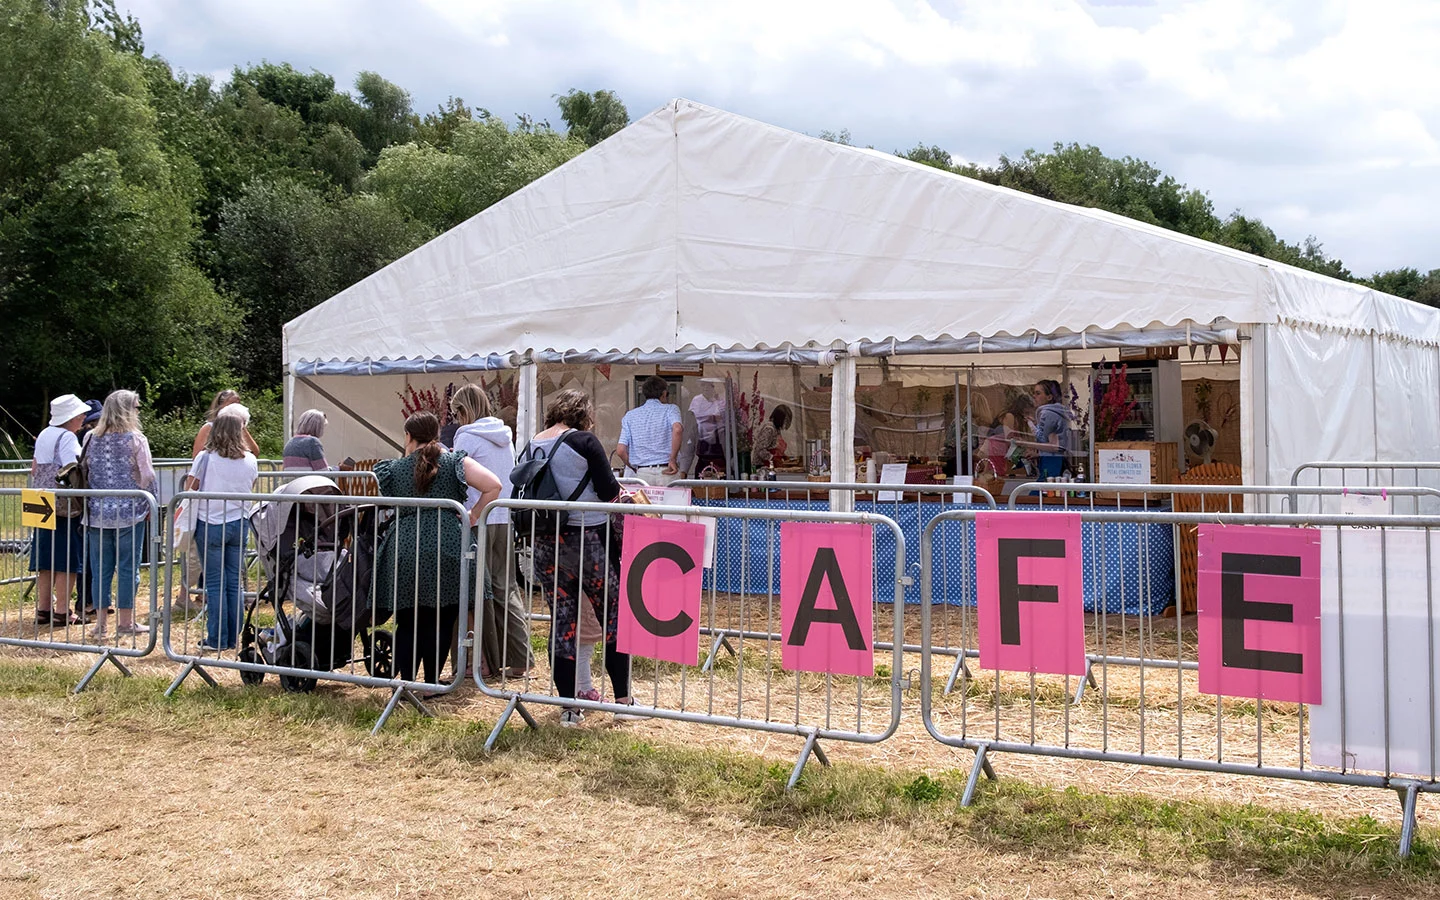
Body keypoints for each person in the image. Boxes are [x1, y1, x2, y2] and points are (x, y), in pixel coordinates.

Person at [520, 389, 641, 726]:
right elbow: (608, 491)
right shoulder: (585, 442)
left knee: (562, 623)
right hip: (589, 541)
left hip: (546, 543)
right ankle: (623, 701)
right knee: (613, 618)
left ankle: (570, 708)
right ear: (583, 414)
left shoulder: (533, 444)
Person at [373, 412, 502, 684]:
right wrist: (473, 514)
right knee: (442, 619)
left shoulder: (393, 469)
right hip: (448, 544)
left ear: (408, 436)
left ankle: (405, 683)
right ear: (437, 435)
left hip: (406, 544)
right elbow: (494, 485)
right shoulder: (455, 461)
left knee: (407, 618)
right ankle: (431, 683)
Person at [449, 384, 531, 678]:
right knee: (506, 590)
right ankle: (520, 658)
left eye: (456, 412)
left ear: (463, 410)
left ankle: (477, 662)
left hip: (478, 518)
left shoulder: (466, 438)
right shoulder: (505, 437)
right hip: (503, 518)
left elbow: (455, 473)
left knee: (475, 594)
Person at [83, 390, 157, 641]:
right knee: (128, 569)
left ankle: (100, 624)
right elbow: (147, 476)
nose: (138, 411)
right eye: (136, 407)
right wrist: (151, 504)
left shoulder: (90, 438)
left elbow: (86, 470)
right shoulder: (136, 438)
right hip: (130, 511)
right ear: (127, 409)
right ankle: (125, 621)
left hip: (97, 512)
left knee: (100, 568)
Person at [184, 413, 257, 652]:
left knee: (215, 584)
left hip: (212, 522)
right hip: (240, 522)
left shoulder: (205, 458)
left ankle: (217, 638)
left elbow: (190, 488)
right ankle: (232, 638)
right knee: (234, 583)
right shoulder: (250, 459)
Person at [27, 394, 90, 628]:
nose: (83, 417)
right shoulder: (67, 437)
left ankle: (43, 608)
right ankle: (63, 611)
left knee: (45, 557)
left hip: (38, 499)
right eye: (80, 414)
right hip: (62, 504)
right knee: (67, 557)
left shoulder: (44, 434)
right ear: (71, 417)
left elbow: (35, 468)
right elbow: (73, 469)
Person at [616, 375, 682, 485]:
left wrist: (635, 468)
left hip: (642, 474)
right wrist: (672, 459)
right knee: (671, 501)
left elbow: (620, 450)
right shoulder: (671, 409)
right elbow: (678, 429)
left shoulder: (630, 416)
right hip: (667, 469)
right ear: (664, 393)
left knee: (644, 502)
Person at [192, 390, 259, 458]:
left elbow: (254, 453)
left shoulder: (240, 428)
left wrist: (242, 427)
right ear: (220, 405)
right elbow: (197, 456)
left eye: (238, 404)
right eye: (232, 404)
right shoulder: (209, 427)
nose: (236, 407)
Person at [1029, 379, 1074, 479]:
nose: (1034, 396)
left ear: (1049, 397)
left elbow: (1042, 438)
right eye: (1034, 393)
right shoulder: (1054, 412)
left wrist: (1030, 424)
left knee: (1040, 491)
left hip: (1051, 460)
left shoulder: (1048, 413)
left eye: (1038, 393)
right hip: (1052, 458)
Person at [690, 378, 727, 475]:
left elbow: (724, 419)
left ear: (713, 387)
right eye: (703, 385)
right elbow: (693, 418)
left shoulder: (720, 401)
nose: (706, 388)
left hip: (718, 441)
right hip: (701, 440)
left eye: (708, 385)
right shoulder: (697, 400)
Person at [750, 404, 793, 469]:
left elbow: (775, 446)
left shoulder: (776, 428)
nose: (785, 423)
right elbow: (760, 450)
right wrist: (773, 458)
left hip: (770, 465)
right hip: (762, 466)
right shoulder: (769, 429)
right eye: (784, 420)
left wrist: (784, 457)